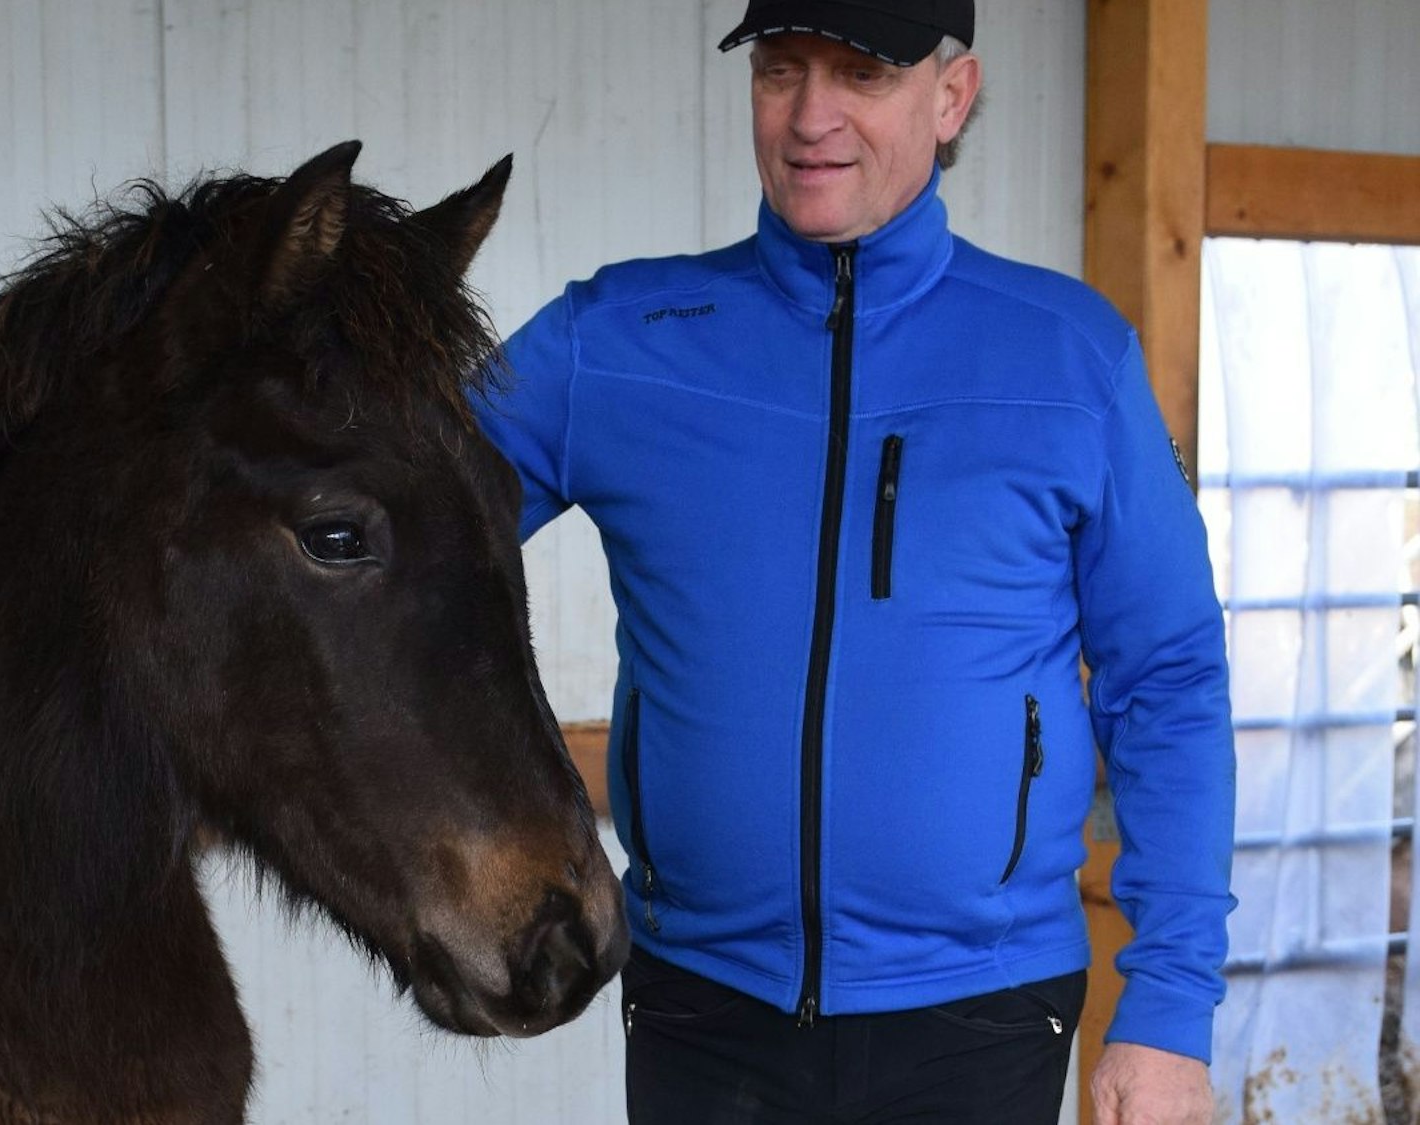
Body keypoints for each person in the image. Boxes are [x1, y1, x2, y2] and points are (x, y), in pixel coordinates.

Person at [475, 2, 1235, 1122]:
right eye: (780, 71)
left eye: (859, 75)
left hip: (981, 1012)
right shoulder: (616, 343)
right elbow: (384, 523)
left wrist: (1168, 1008)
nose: (809, 116)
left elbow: (1167, 679)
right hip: (703, 1005)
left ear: (950, 94)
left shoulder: (1068, 358)